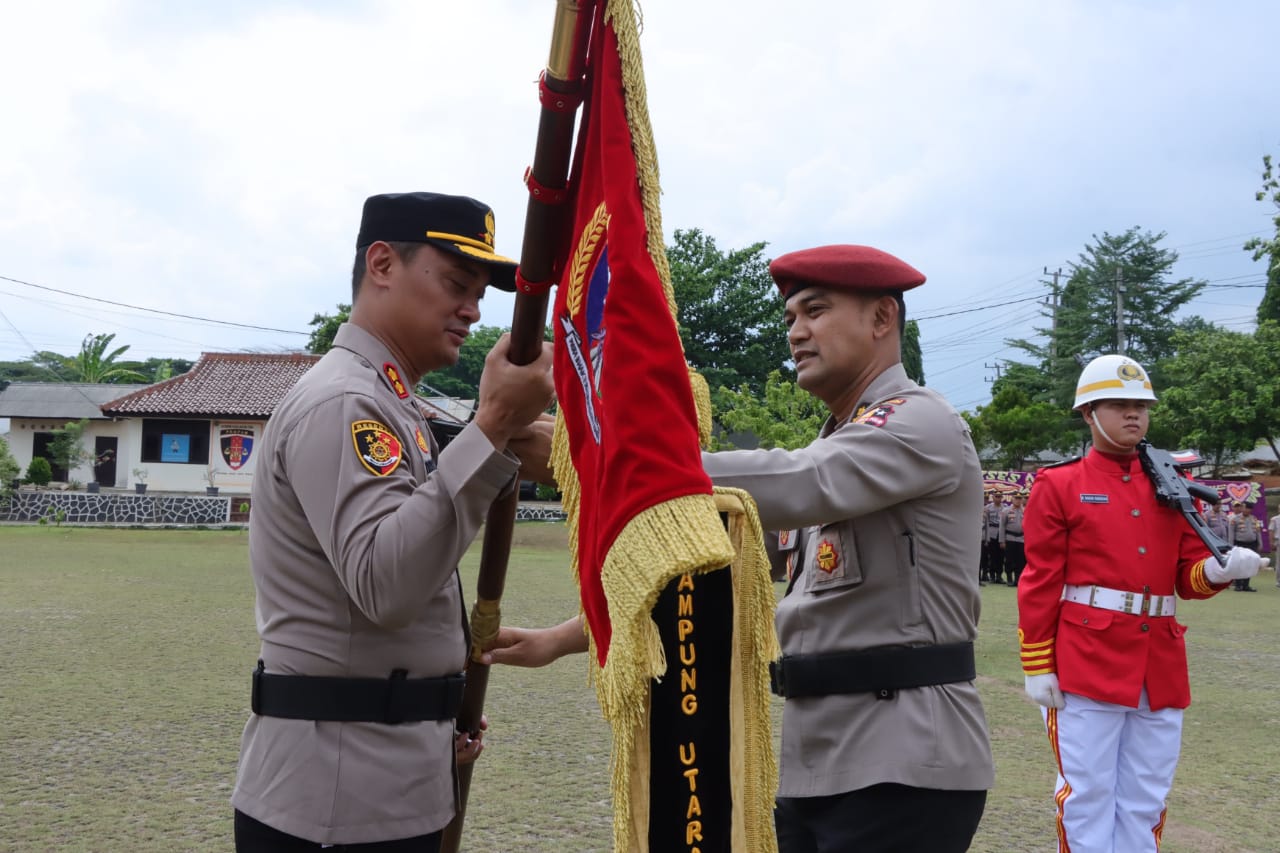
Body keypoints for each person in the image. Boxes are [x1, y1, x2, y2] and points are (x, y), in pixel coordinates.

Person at [484, 245, 995, 853]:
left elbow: (804, 480)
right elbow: (716, 579)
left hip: (906, 756)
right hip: (822, 756)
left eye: (816, 311)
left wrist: (598, 465)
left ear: (882, 319)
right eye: (789, 320)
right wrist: (567, 637)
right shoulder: (841, 439)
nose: (797, 333)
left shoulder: (918, 424)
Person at [231, 191, 556, 851]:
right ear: (382, 263)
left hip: (383, 779)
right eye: (457, 285)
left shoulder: (393, 402)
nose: (472, 309)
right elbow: (387, 584)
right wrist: (490, 423)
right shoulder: (347, 400)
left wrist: (433, 719)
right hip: (335, 801)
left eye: (478, 295)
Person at [1017, 354, 1265, 853]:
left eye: (1141, 406)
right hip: (1087, 658)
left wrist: (1219, 570)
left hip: (1159, 661)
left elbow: (1187, 579)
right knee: (1086, 795)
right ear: (1088, 413)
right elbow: (1041, 579)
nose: (1134, 415)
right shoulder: (1060, 484)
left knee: (1146, 798)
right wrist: (1037, 662)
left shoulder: (1169, 480)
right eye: (1119, 405)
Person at [1228, 501, 1262, 591]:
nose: (1246, 510)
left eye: (1249, 508)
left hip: (1252, 544)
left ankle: (1246, 585)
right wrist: (1231, 545)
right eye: (1245, 508)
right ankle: (1238, 585)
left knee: (1250, 564)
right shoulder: (1235, 519)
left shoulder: (1254, 519)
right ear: (1243, 508)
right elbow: (1231, 533)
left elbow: (1258, 532)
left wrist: (1260, 543)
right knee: (1240, 564)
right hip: (1240, 544)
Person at [999, 492, 1027, 587]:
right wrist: (1002, 540)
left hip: (1021, 539)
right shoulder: (1006, 511)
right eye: (1016, 498)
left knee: (1020, 561)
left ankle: (1017, 579)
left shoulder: (1025, 511)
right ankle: (1009, 578)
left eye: (1020, 498)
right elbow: (1002, 526)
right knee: (1009, 560)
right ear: (1012, 499)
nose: (1018, 500)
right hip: (1010, 538)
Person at [981, 491, 1003, 584]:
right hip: (992, 532)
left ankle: (999, 576)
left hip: (1000, 533)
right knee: (992, 556)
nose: (998, 498)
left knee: (1001, 556)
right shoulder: (987, 508)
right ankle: (992, 575)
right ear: (993, 498)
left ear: (1002, 497)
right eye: (996, 496)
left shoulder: (1005, 508)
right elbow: (985, 523)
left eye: (999, 496)